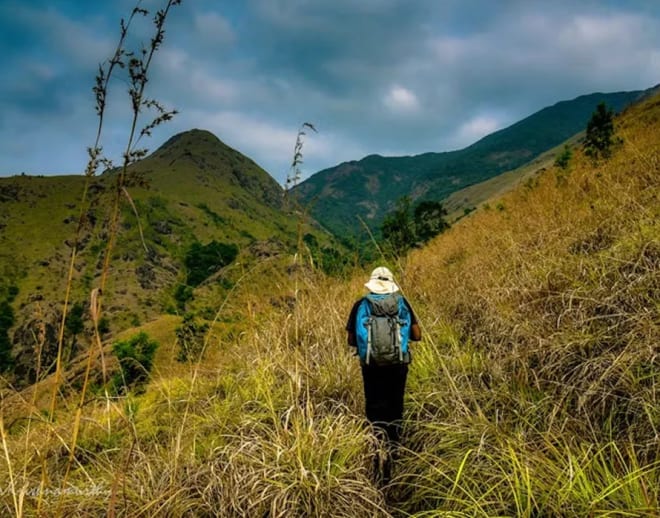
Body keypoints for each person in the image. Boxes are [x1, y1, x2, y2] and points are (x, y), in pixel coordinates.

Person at [346, 266, 422, 447]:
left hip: (370, 364)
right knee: (395, 402)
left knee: (374, 403)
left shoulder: (361, 305)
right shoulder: (403, 303)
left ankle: (376, 445)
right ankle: (395, 446)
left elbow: (351, 340)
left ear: (371, 285)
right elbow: (417, 336)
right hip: (398, 363)